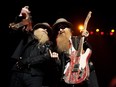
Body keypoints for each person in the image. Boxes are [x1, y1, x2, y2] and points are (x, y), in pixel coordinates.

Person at [9, 6, 59, 87]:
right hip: (18, 72)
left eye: (47, 30)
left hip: (35, 76)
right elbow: (15, 28)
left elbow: (45, 57)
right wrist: (22, 15)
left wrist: (25, 61)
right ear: (36, 29)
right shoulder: (27, 36)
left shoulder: (48, 45)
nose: (45, 30)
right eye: (43, 28)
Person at [52, 18, 99, 87]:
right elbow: (61, 67)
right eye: (58, 29)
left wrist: (85, 38)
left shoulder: (76, 39)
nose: (60, 30)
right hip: (70, 79)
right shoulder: (57, 48)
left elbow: (88, 48)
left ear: (69, 29)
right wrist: (56, 60)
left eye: (62, 27)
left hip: (85, 75)